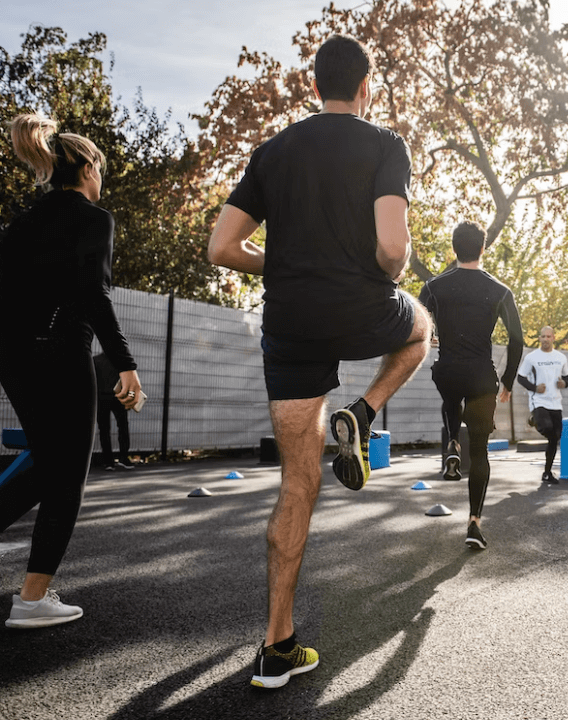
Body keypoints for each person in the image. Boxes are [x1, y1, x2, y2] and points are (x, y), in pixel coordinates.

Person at [207, 34, 430, 689]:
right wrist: (387, 271)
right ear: (365, 89)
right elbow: (392, 248)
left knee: (296, 486)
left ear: (314, 87)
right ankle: (363, 410)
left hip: (291, 324)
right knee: (421, 329)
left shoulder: (272, 152)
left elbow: (222, 248)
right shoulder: (385, 145)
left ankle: (277, 645)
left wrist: (280, 265)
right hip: (361, 308)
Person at [0, 113, 142, 629]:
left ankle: (32, 595)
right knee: (67, 474)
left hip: (12, 352)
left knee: (46, 466)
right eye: (102, 171)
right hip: (60, 352)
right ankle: (32, 600)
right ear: (88, 169)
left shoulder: (25, 221)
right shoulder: (94, 219)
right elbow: (94, 295)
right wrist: (126, 365)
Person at [418, 221, 524, 549]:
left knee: (450, 396)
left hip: (447, 370)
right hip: (481, 377)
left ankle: (452, 442)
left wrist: (430, 336)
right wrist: (508, 380)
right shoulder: (500, 290)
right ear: (483, 248)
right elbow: (517, 340)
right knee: (480, 452)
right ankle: (474, 523)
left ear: (454, 248)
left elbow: (417, 324)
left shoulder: (433, 286)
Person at [517, 326, 568, 484]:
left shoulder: (561, 357)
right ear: (539, 338)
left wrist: (564, 383)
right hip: (539, 401)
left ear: (553, 338)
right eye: (543, 336)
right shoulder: (531, 358)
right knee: (547, 428)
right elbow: (521, 378)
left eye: (548, 336)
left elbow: (567, 377)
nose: (546, 339)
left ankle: (547, 473)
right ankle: (535, 419)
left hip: (556, 402)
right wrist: (535, 388)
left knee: (556, 437)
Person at [94, 352, 134, 470]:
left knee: (104, 430)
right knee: (123, 427)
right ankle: (123, 458)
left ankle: (108, 462)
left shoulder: (95, 360)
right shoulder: (120, 359)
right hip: (119, 398)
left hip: (101, 398)